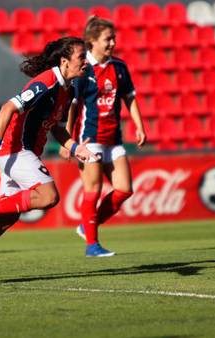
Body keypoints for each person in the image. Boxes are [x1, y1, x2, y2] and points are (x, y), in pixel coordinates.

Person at [0, 37, 97, 280]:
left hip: (19, 153)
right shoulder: (47, 82)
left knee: (6, 219)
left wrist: (75, 146)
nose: (86, 61)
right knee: (48, 196)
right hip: (15, 150)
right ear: (64, 61)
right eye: (82, 57)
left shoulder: (67, 89)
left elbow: (57, 128)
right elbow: (7, 108)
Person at [60, 16, 147, 257]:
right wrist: (68, 141)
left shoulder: (119, 67)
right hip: (89, 139)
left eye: (113, 38)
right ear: (93, 41)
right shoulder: (83, 69)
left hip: (114, 138)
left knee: (125, 189)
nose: (112, 43)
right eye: (108, 39)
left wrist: (140, 126)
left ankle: (87, 226)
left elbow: (129, 97)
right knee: (93, 190)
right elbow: (73, 107)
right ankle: (92, 245)